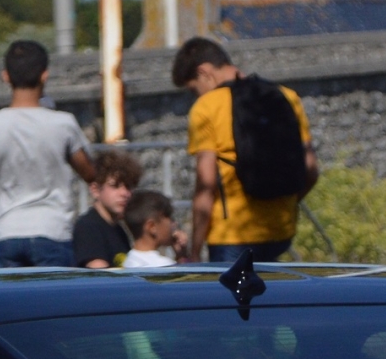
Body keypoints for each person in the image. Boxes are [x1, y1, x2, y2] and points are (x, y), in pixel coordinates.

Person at [173, 37, 316, 266]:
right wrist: (286, 205)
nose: (197, 95)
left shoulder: (206, 107)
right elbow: (310, 170)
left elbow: (206, 186)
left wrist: (195, 250)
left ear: (204, 72)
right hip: (281, 231)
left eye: (193, 89)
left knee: (234, 301)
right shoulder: (287, 96)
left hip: (232, 236)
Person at [0, 40, 97, 268]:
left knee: (8, 304)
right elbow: (88, 172)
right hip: (53, 230)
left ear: (6, 76)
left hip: (7, 232)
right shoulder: (63, 124)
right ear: (44, 75)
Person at [73, 149, 142, 268]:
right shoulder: (89, 227)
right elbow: (99, 276)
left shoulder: (118, 230)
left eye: (128, 187)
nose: (124, 193)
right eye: (115, 186)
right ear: (95, 190)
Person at [122, 190, 179, 267]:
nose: (174, 224)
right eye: (169, 218)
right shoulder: (164, 266)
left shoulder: (127, 262)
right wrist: (184, 258)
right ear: (152, 227)